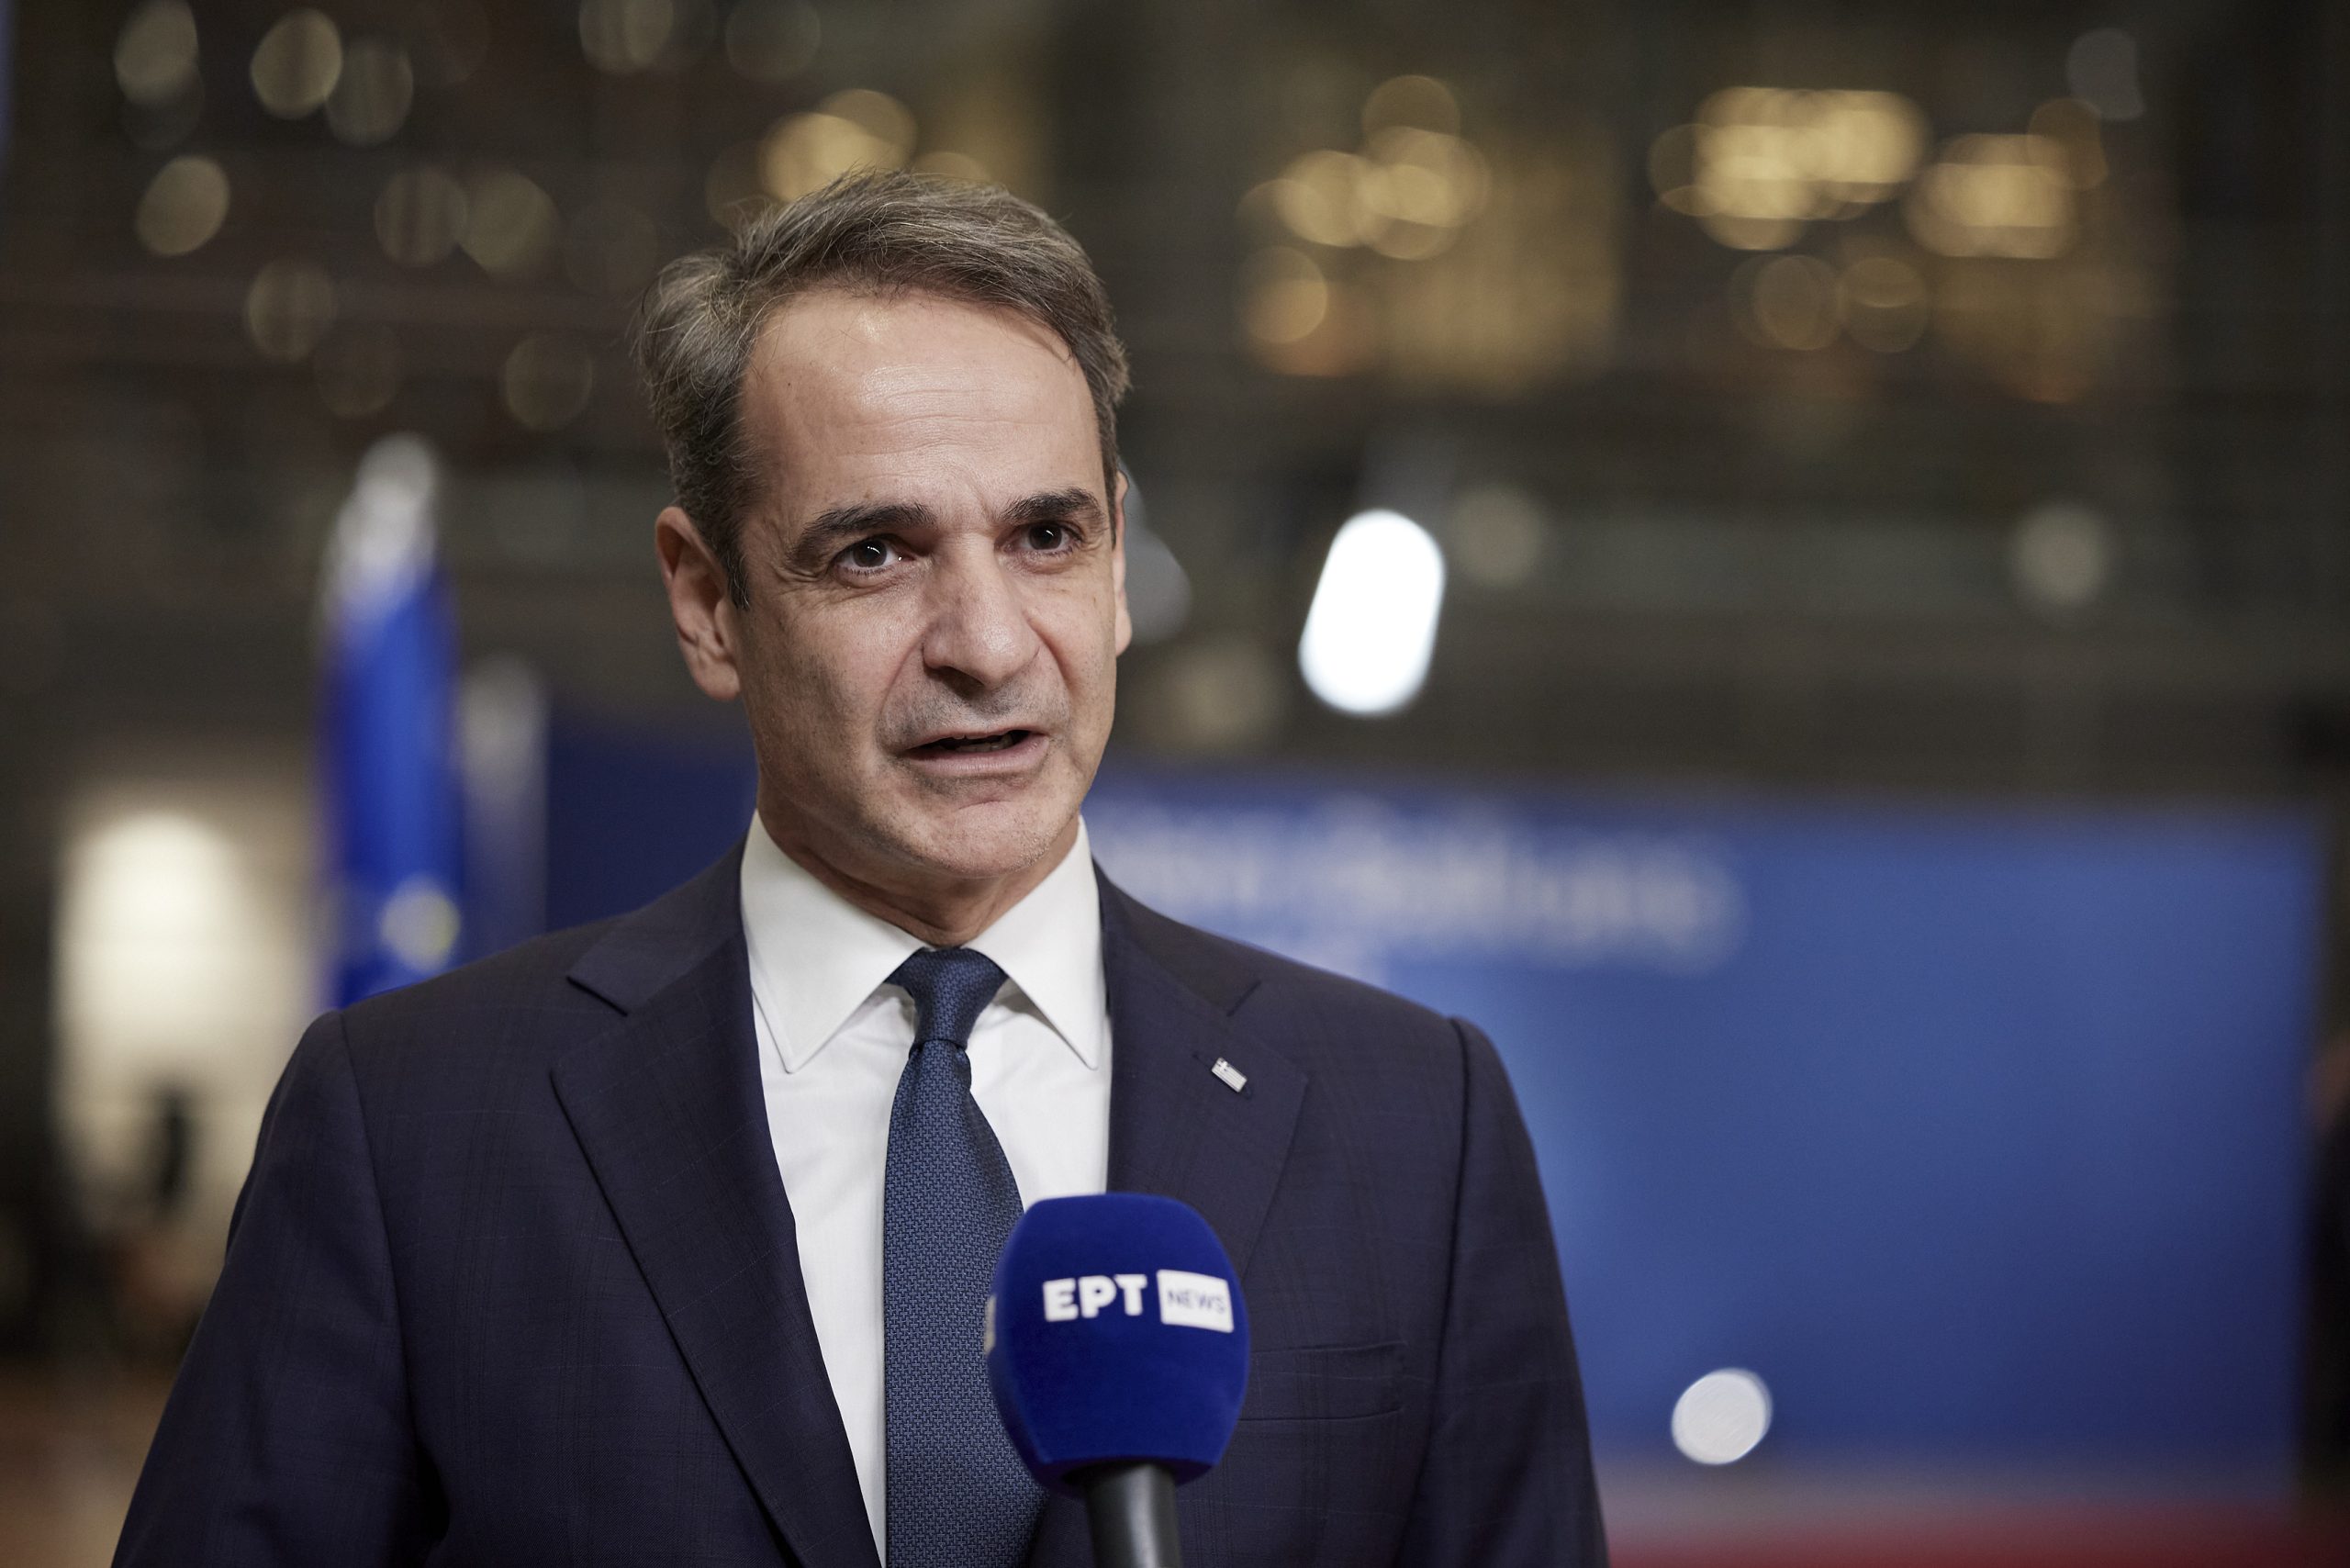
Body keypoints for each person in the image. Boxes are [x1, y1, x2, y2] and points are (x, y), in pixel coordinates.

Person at [115, 173, 1606, 1568]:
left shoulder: (1417, 1122)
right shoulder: (413, 1125)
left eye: (1046, 536)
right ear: (708, 602)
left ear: (1117, 563)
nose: (988, 644)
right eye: (876, 553)